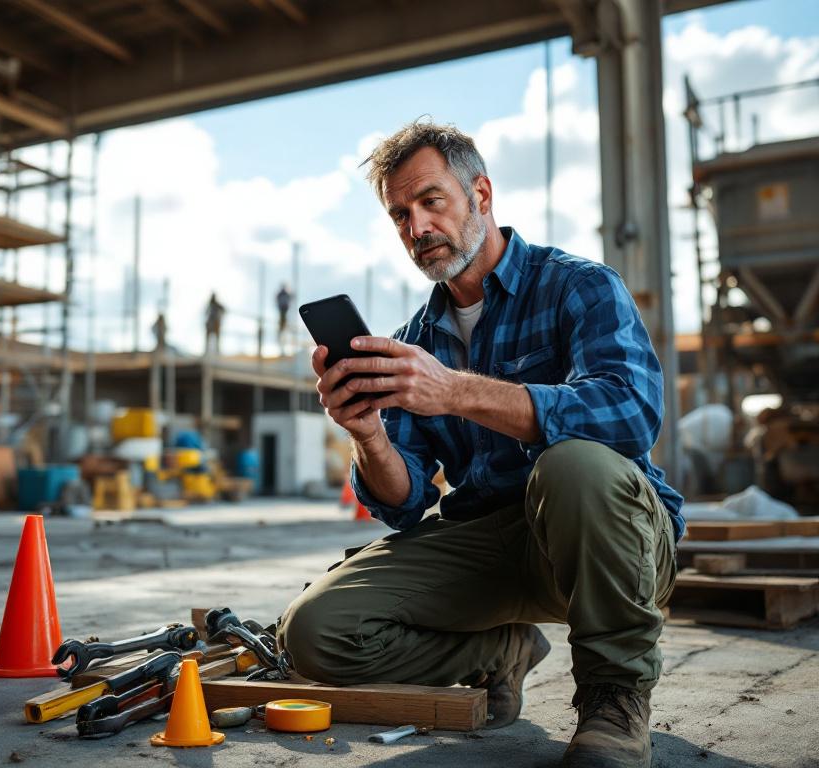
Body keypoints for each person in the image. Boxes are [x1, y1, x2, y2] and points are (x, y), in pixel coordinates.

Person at [276, 121, 683, 768]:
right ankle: (500, 652)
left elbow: (631, 414)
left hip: (608, 540)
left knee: (573, 463)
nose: (417, 229)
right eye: (400, 215)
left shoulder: (578, 286)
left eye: (432, 201)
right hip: (490, 544)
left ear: (482, 195)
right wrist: (368, 436)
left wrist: (455, 392)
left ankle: (615, 697)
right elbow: (403, 503)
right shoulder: (416, 341)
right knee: (316, 632)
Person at [276, 283, 292, 354]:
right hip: (283, 308)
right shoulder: (283, 294)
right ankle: (282, 326)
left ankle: (283, 326)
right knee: (283, 318)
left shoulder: (282, 294)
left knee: (283, 318)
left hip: (283, 308)